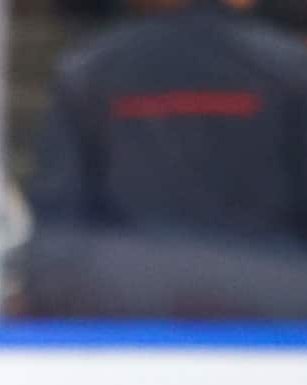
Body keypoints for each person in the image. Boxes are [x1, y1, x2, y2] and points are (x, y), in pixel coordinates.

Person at [24, 0, 307, 317]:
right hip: (273, 301)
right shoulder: (291, 71)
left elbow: (56, 224)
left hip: (118, 300)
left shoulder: (89, 71)